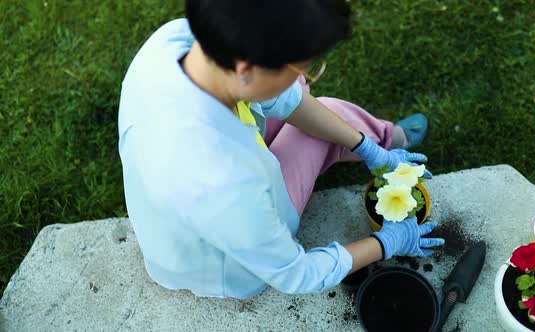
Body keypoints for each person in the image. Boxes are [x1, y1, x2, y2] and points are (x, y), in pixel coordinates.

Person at [118, 0, 444, 299]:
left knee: (320, 113)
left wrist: (366, 146)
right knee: (327, 113)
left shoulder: (174, 44)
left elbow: (283, 98)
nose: (302, 78)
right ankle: (390, 137)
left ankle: (381, 141)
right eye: (301, 69)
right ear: (246, 69)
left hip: (187, 218)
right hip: (230, 264)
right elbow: (295, 274)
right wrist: (386, 242)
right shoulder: (225, 183)